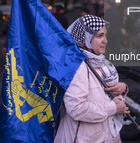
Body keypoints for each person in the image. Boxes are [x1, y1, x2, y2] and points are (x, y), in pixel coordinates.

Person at [54, 15, 129, 143]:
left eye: (105, 35)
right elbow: (76, 108)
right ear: (85, 38)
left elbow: (105, 95)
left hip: (107, 135)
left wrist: (123, 88)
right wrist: (113, 108)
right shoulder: (78, 66)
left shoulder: (100, 62)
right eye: (99, 36)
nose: (105, 41)